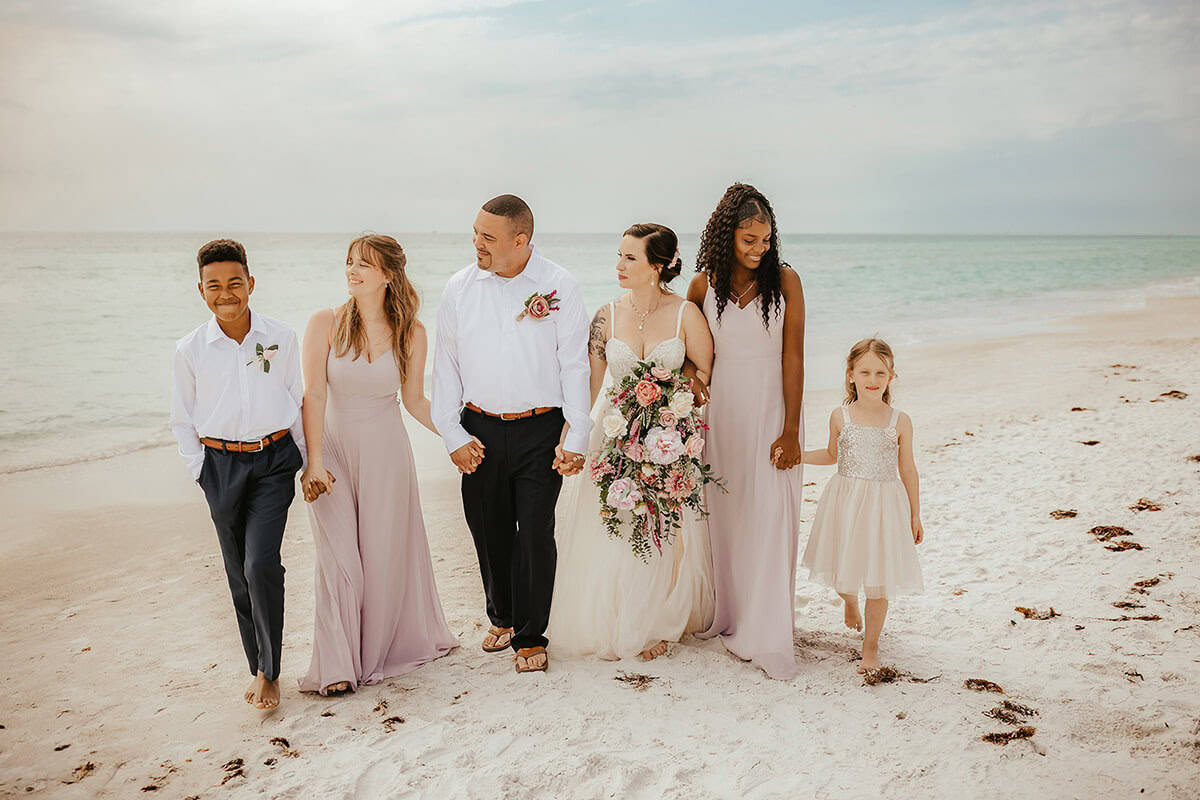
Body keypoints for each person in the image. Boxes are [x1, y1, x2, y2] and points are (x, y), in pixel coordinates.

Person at [431, 194, 591, 673]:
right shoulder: (458, 288)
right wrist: (452, 434)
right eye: (476, 232)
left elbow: (574, 365)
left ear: (520, 241)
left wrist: (576, 435)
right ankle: (500, 613)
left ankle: (530, 633)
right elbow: (446, 367)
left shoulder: (559, 285)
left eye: (488, 237)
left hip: (541, 429)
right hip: (477, 427)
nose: (476, 243)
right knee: (488, 529)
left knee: (536, 533)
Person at [297, 234, 458, 695]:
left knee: (383, 557)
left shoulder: (412, 333)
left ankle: (373, 653)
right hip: (331, 452)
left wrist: (458, 437)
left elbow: (414, 400)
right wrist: (314, 462)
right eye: (349, 262)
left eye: (364, 264)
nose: (352, 271)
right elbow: (314, 395)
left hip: (387, 454)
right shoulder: (324, 323)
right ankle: (337, 664)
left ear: (389, 275)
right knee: (339, 558)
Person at [548, 223, 715, 661]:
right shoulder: (605, 315)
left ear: (658, 266)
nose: (619, 265)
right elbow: (590, 386)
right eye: (619, 255)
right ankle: (611, 617)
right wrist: (573, 437)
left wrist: (671, 411)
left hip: (668, 437)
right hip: (614, 431)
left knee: (658, 528)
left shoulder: (685, 315)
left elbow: (703, 375)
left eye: (630, 258)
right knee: (611, 525)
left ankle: (654, 620)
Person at [170, 238, 306, 710]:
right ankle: (257, 663)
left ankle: (270, 671)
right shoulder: (189, 350)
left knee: (260, 563)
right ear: (200, 291)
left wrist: (309, 462)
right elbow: (182, 418)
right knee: (237, 572)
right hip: (220, 466)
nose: (225, 293)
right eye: (214, 285)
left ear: (251, 283)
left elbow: (297, 402)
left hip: (274, 461)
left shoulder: (281, 337)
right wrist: (201, 472)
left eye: (234, 282)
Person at [687, 183, 807, 680]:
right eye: (748, 240)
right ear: (725, 235)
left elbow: (793, 356)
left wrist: (792, 430)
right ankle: (733, 614)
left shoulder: (786, 281)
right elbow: (696, 359)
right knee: (727, 515)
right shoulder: (702, 286)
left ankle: (768, 624)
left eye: (765, 239)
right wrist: (693, 384)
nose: (759, 249)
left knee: (770, 514)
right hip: (722, 414)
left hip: (771, 411)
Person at [800, 338, 924, 671]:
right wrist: (798, 457)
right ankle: (849, 602)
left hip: (884, 505)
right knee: (843, 570)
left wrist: (915, 513)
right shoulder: (840, 416)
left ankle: (870, 647)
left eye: (880, 372)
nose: (873, 379)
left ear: (891, 376)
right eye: (865, 371)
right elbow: (830, 455)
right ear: (850, 375)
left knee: (879, 579)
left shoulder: (900, 420)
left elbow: (908, 468)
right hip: (846, 501)